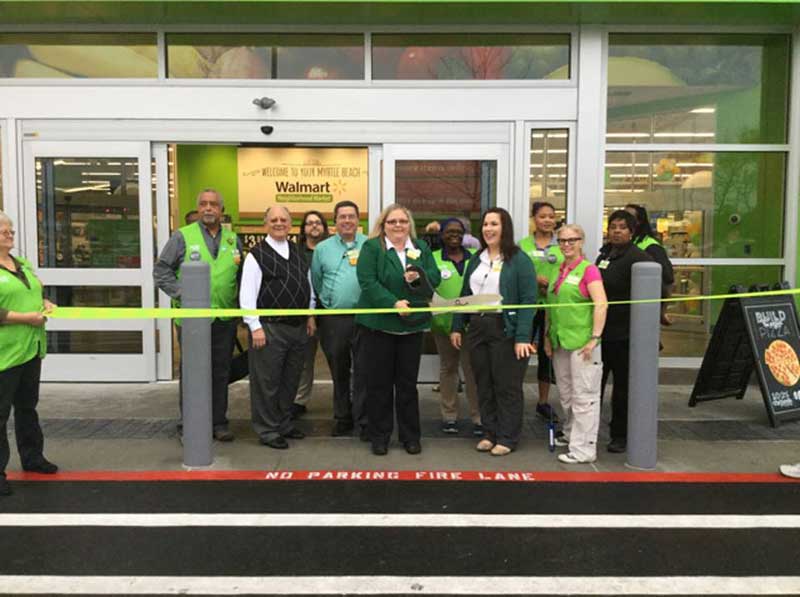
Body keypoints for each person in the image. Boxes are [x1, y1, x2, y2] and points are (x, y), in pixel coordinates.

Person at [154, 188, 241, 442]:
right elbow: (162, 271)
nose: (208, 208)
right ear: (197, 208)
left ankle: (219, 423)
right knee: (193, 372)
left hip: (224, 319)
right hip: (192, 320)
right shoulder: (182, 236)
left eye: (213, 204)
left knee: (221, 372)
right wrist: (184, 294)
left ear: (221, 210)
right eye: (203, 204)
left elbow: (239, 275)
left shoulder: (233, 240)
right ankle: (189, 425)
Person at [451, 207, 537, 457]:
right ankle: (490, 432)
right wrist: (458, 325)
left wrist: (522, 337)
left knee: (506, 386)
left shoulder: (519, 260)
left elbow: (528, 300)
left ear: (505, 228)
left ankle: (508, 436)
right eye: (486, 224)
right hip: (477, 328)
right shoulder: (477, 258)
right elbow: (465, 295)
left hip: (505, 329)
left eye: (494, 224)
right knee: (483, 383)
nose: (488, 229)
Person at [356, 204, 440, 456]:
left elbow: (434, 278)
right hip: (379, 327)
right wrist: (392, 303)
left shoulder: (421, 248)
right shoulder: (372, 248)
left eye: (403, 221)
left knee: (407, 385)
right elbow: (367, 282)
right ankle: (379, 436)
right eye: (392, 222)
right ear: (383, 225)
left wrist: (420, 277)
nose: (398, 226)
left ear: (409, 224)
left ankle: (410, 436)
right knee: (379, 385)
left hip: (412, 327)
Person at [240, 205, 316, 450]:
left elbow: (308, 285)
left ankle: (283, 423)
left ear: (290, 223)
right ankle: (267, 429)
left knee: (290, 380)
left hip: (298, 327)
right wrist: (254, 326)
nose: (279, 223)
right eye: (274, 219)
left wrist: (311, 315)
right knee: (266, 382)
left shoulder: (297, 251)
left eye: (283, 219)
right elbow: (247, 294)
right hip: (269, 329)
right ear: (265, 224)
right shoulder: (256, 255)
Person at [0, 211, 58, 497]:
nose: (9, 235)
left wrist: (43, 301)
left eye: (10, 230)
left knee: (27, 407)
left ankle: (33, 457)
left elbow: (32, 292)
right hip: (4, 354)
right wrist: (25, 317)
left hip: (30, 349)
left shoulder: (20, 263)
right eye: (3, 231)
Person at [544, 224, 607, 464]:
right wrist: (548, 337)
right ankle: (571, 434)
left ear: (581, 242)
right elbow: (550, 306)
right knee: (567, 394)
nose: (566, 245)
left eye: (572, 240)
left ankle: (584, 449)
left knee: (584, 397)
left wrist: (595, 338)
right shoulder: (558, 270)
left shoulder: (588, 270)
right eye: (562, 240)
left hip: (583, 344)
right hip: (560, 341)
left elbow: (601, 304)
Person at [596, 209, 653, 454]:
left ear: (632, 231)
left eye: (622, 227)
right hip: (601, 332)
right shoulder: (604, 254)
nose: (616, 231)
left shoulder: (640, 258)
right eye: (613, 227)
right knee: (594, 384)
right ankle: (587, 432)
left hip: (624, 334)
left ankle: (620, 435)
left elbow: (658, 287)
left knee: (622, 389)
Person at [311, 200, 369, 439]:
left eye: (351, 216)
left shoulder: (371, 245)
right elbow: (316, 280)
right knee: (339, 370)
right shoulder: (322, 249)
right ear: (334, 222)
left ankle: (365, 420)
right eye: (342, 217)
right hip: (334, 320)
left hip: (366, 319)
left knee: (365, 371)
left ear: (358, 221)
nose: (347, 221)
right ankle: (343, 417)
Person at [430, 218, 482, 436]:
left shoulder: (476, 259)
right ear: (441, 235)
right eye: (449, 231)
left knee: (472, 371)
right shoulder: (432, 259)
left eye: (459, 232)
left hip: (471, 325)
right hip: (443, 325)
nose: (454, 235)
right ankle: (449, 416)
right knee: (448, 369)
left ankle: (478, 417)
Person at [519, 201, 564, 421]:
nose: (547, 220)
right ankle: (514, 398)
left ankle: (543, 402)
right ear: (534, 219)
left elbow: (572, 269)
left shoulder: (562, 245)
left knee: (548, 357)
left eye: (551, 216)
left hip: (552, 308)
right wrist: (534, 279)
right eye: (542, 216)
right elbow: (515, 272)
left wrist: (552, 283)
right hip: (528, 307)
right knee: (521, 351)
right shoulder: (523, 245)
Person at [290, 210, 329, 419]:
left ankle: (346, 400)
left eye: (318, 223)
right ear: (303, 229)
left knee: (339, 359)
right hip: (305, 314)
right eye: (309, 223)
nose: (314, 226)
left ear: (324, 227)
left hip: (332, 313)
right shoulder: (295, 253)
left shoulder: (332, 250)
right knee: (304, 360)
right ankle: (299, 400)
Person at [625, 204, 675, 325]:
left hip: (643, 307)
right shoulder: (624, 244)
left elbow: (668, 278)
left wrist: (662, 311)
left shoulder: (651, 246)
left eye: (629, 217)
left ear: (639, 222)